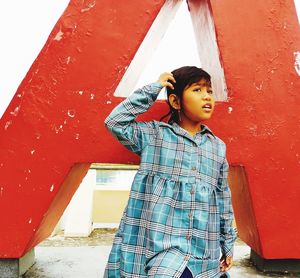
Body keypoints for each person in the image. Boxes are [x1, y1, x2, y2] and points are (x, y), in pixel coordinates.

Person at [103, 66, 237, 277]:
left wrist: (227, 243)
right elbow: (115, 122)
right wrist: (153, 89)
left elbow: (222, 198)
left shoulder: (217, 147)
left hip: (204, 249)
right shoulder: (154, 136)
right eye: (197, 90)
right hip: (161, 248)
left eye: (209, 91)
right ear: (176, 102)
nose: (207, 97)